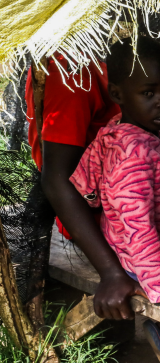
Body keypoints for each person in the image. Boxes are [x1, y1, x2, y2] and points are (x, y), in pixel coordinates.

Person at [68, 37, 160, 363]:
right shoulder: (133, 157)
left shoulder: (123, 129)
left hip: (133, 242)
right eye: (149, 93)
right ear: (117, 94)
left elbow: (83, 183)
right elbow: (139, 235)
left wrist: (104, 205)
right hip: (138, 258)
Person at [27, 46, 142, 322]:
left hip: (129, 202)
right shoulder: (72, 72)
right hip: (109, 222)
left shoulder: (95, 57)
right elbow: (56, 180)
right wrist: (110, 271)